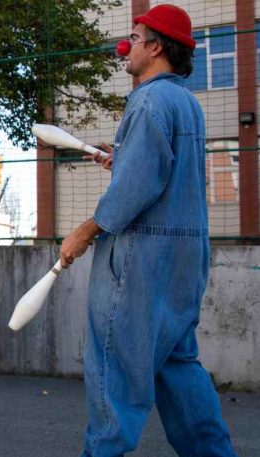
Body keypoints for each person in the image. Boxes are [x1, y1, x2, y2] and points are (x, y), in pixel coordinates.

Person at [61, 5, 236, 456]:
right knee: (177, 366)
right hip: (183, 261)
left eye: (135, 39)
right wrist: (120, 157)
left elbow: (138, 186)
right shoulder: (187, 103)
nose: (127, 47)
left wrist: (86, 230)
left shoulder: (148, 99)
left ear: (156, 46)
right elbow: (162, 172)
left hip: (141, 260)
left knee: (115, 372)